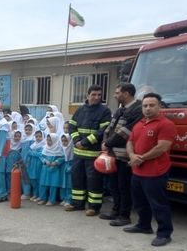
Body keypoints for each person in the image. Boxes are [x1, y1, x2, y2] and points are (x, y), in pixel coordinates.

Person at [125, 93, 177, 247]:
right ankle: (143, 225)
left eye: (151, 105)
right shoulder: (139, 124)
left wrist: (139, 158)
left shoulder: (166, 124)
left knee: (158, 204)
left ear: (159, 106)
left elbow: (162, 147)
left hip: (155, 172)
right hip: (137, 171)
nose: (147, 108)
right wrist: (132, 155)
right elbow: (130, 142)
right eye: (145, 105)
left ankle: (164, 233)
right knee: (139, 202)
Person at [98, 83, 144, 226]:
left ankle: (124, 216)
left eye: (117, 93)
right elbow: (110, 128)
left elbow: (126, 132)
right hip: (113, 154)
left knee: (124, 187)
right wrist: (105, 143)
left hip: (125, 155)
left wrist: (108, 143)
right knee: (114, 186)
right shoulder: (120, 110)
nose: (115, 95)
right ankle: (115, 211)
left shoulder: (138, 109)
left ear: (127, 93)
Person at [66, 84, 112, 216]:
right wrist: (76, 141)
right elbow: (72, 127)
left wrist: (85, 142)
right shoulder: (80, 110)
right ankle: (77, 204)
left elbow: (102, 131)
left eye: (99, 95)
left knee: (94, 181)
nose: (96, 97)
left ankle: (94, 207)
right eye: (94, 94)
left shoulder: (105, 111)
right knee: (77, 178)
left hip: (93, 154)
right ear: (87, 95)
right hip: (78, 154)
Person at [38, 133, 65, 206]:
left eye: (50, 140)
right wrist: (45, 161)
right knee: (43, 184)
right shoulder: (45, 148)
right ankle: (43, 198)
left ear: (55, 140)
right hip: (45, 169)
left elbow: (63, 158)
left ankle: (51, 200)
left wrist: (56, 162)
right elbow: (41, 156)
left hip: (54, 169)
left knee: (53, 186)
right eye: (47, 140)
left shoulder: (59, 149)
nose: (48, 142)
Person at [27, 130, 45, 201]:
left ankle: (40, 196)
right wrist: (33, 153)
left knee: (39, 180)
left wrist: (32, 153)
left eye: (40, 136)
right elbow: (29, 153)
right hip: (32, 165)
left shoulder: (44, 146)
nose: (38, 138)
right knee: (33, 180)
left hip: (39, 165)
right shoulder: (33, 145)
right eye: (36, 136)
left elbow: (40, 154)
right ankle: (35, 194)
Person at [20, 123, 35, 199]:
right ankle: (25, 192)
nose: (27, 131)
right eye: (26, 129)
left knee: (27, 178)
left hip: (28, 162)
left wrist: (27, 161)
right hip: (23, 161)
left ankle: (27, 193)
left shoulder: (32, 140)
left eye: (29, 130)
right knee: (23, 177)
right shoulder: (24, 139)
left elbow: (30, 152)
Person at [60, 133, 73, 208]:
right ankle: (64, 198)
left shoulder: (72, 150)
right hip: (62, 168)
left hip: (69, 170)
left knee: (69, 185)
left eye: (66, 141)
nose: (64, 143)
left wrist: (71, 167)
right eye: (62, 141)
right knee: (63, 184)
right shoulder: (61, 148)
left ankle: (69, 200)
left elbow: (75, 161)